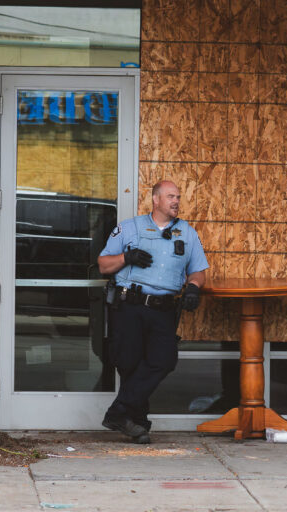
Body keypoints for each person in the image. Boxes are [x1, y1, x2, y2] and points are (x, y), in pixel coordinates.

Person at [98, 180, 208, 444]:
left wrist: (193, 287)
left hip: (163, 308)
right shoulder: (130, 227)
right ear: (156, 200)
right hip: (130, 305)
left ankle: (117, 413)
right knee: (129, 364)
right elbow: (103, 264)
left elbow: (198, 270)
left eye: (178, 197)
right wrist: (127, 258)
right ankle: (137, 424)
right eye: (171, 196)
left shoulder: (187, 233)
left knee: (163, 360)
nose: (176, 201)